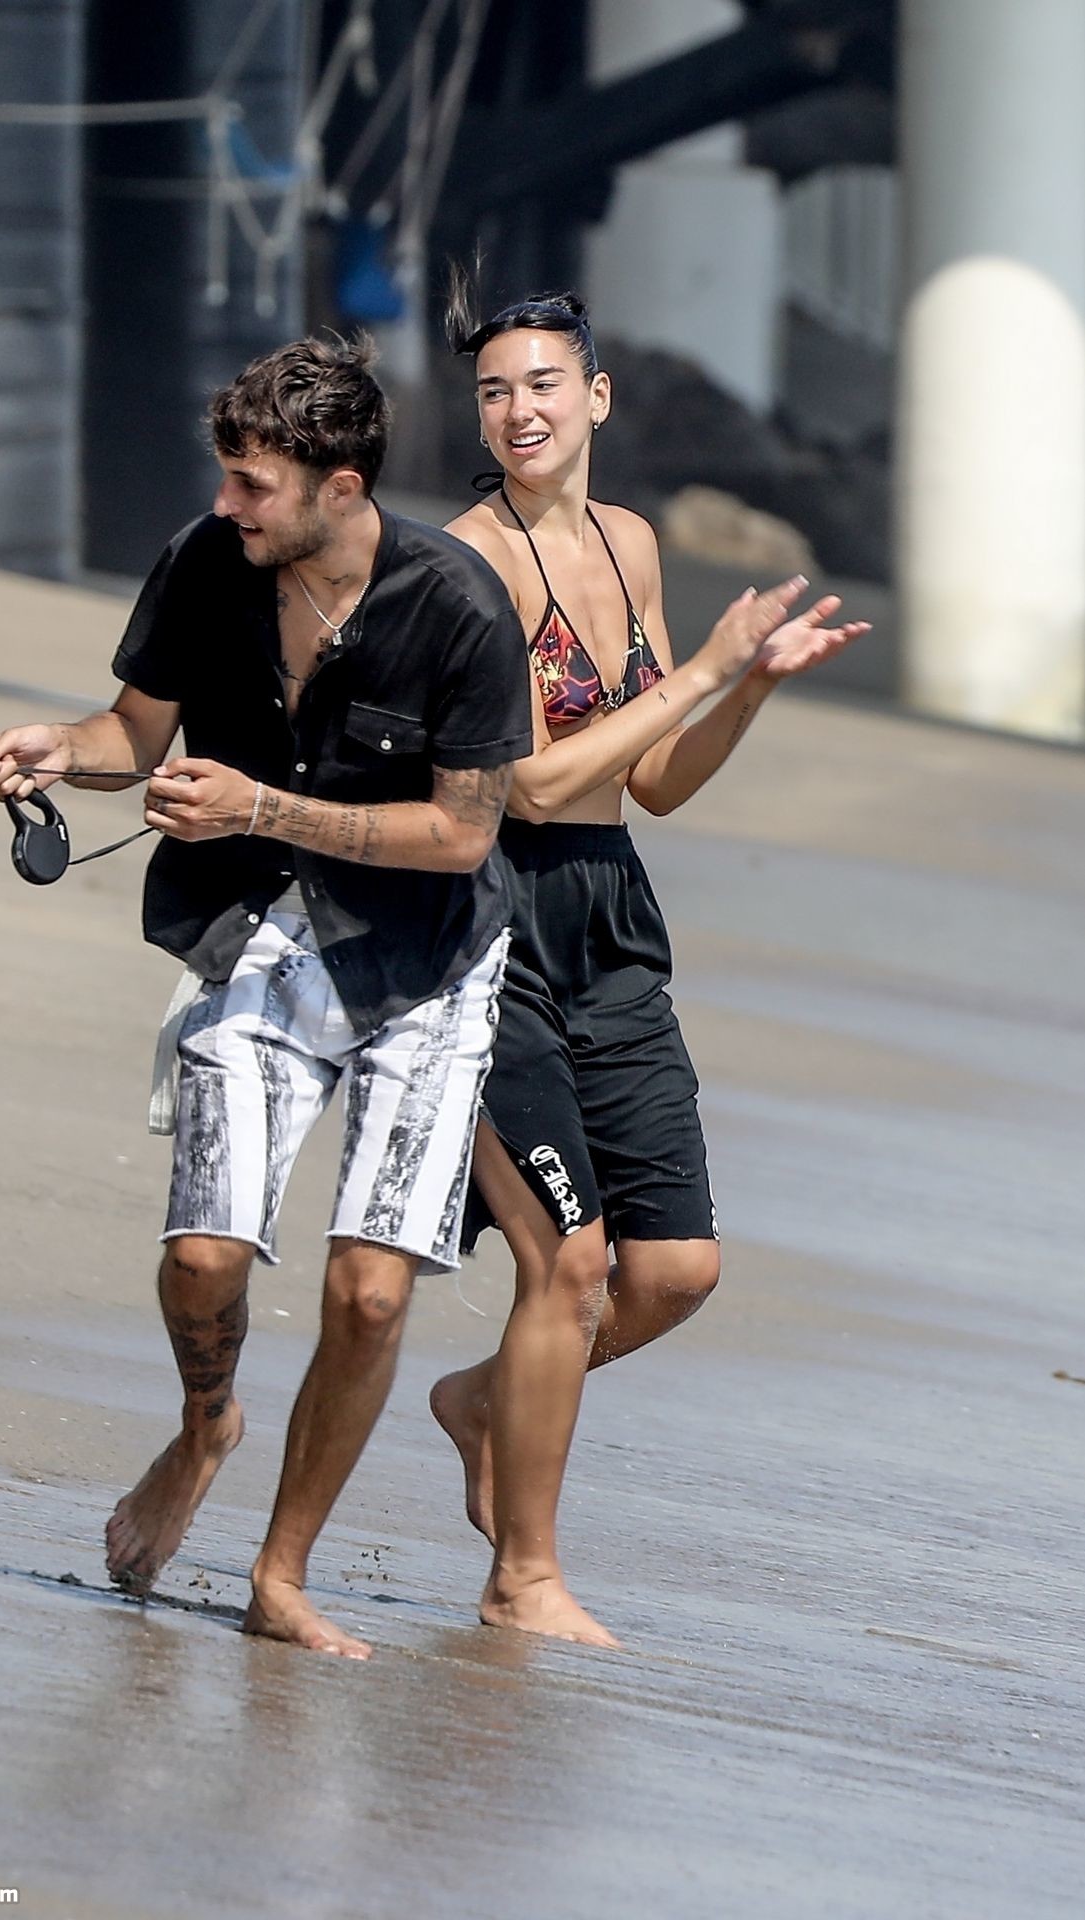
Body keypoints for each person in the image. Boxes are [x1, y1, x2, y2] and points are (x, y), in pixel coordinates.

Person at [0, 335, 537, 1660]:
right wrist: (59, 748)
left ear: (343, 487)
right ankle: (205, 1424)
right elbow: (131, 734)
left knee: (371, 1295)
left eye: (252, 485)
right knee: (202, 1255)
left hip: (433, 963)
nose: (226, 505)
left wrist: (262, 807)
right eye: (225, 477)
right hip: (262, 931)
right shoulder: (205, 561)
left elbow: (462, 835)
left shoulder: (457, 606)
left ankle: (280, 1576)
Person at [429, 288, 869, 1648]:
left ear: (596, 397)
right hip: (489, 921)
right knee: (566, 1260)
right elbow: (523, 781)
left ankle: (483, 1401)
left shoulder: (629, 544)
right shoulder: (468, 566)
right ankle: (524, 1577)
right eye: (495, 391)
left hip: (607, 915)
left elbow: (656, 780)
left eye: (543, 384)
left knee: (675, 1269)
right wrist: (702, 671)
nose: (520, 411)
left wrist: (750, 684)